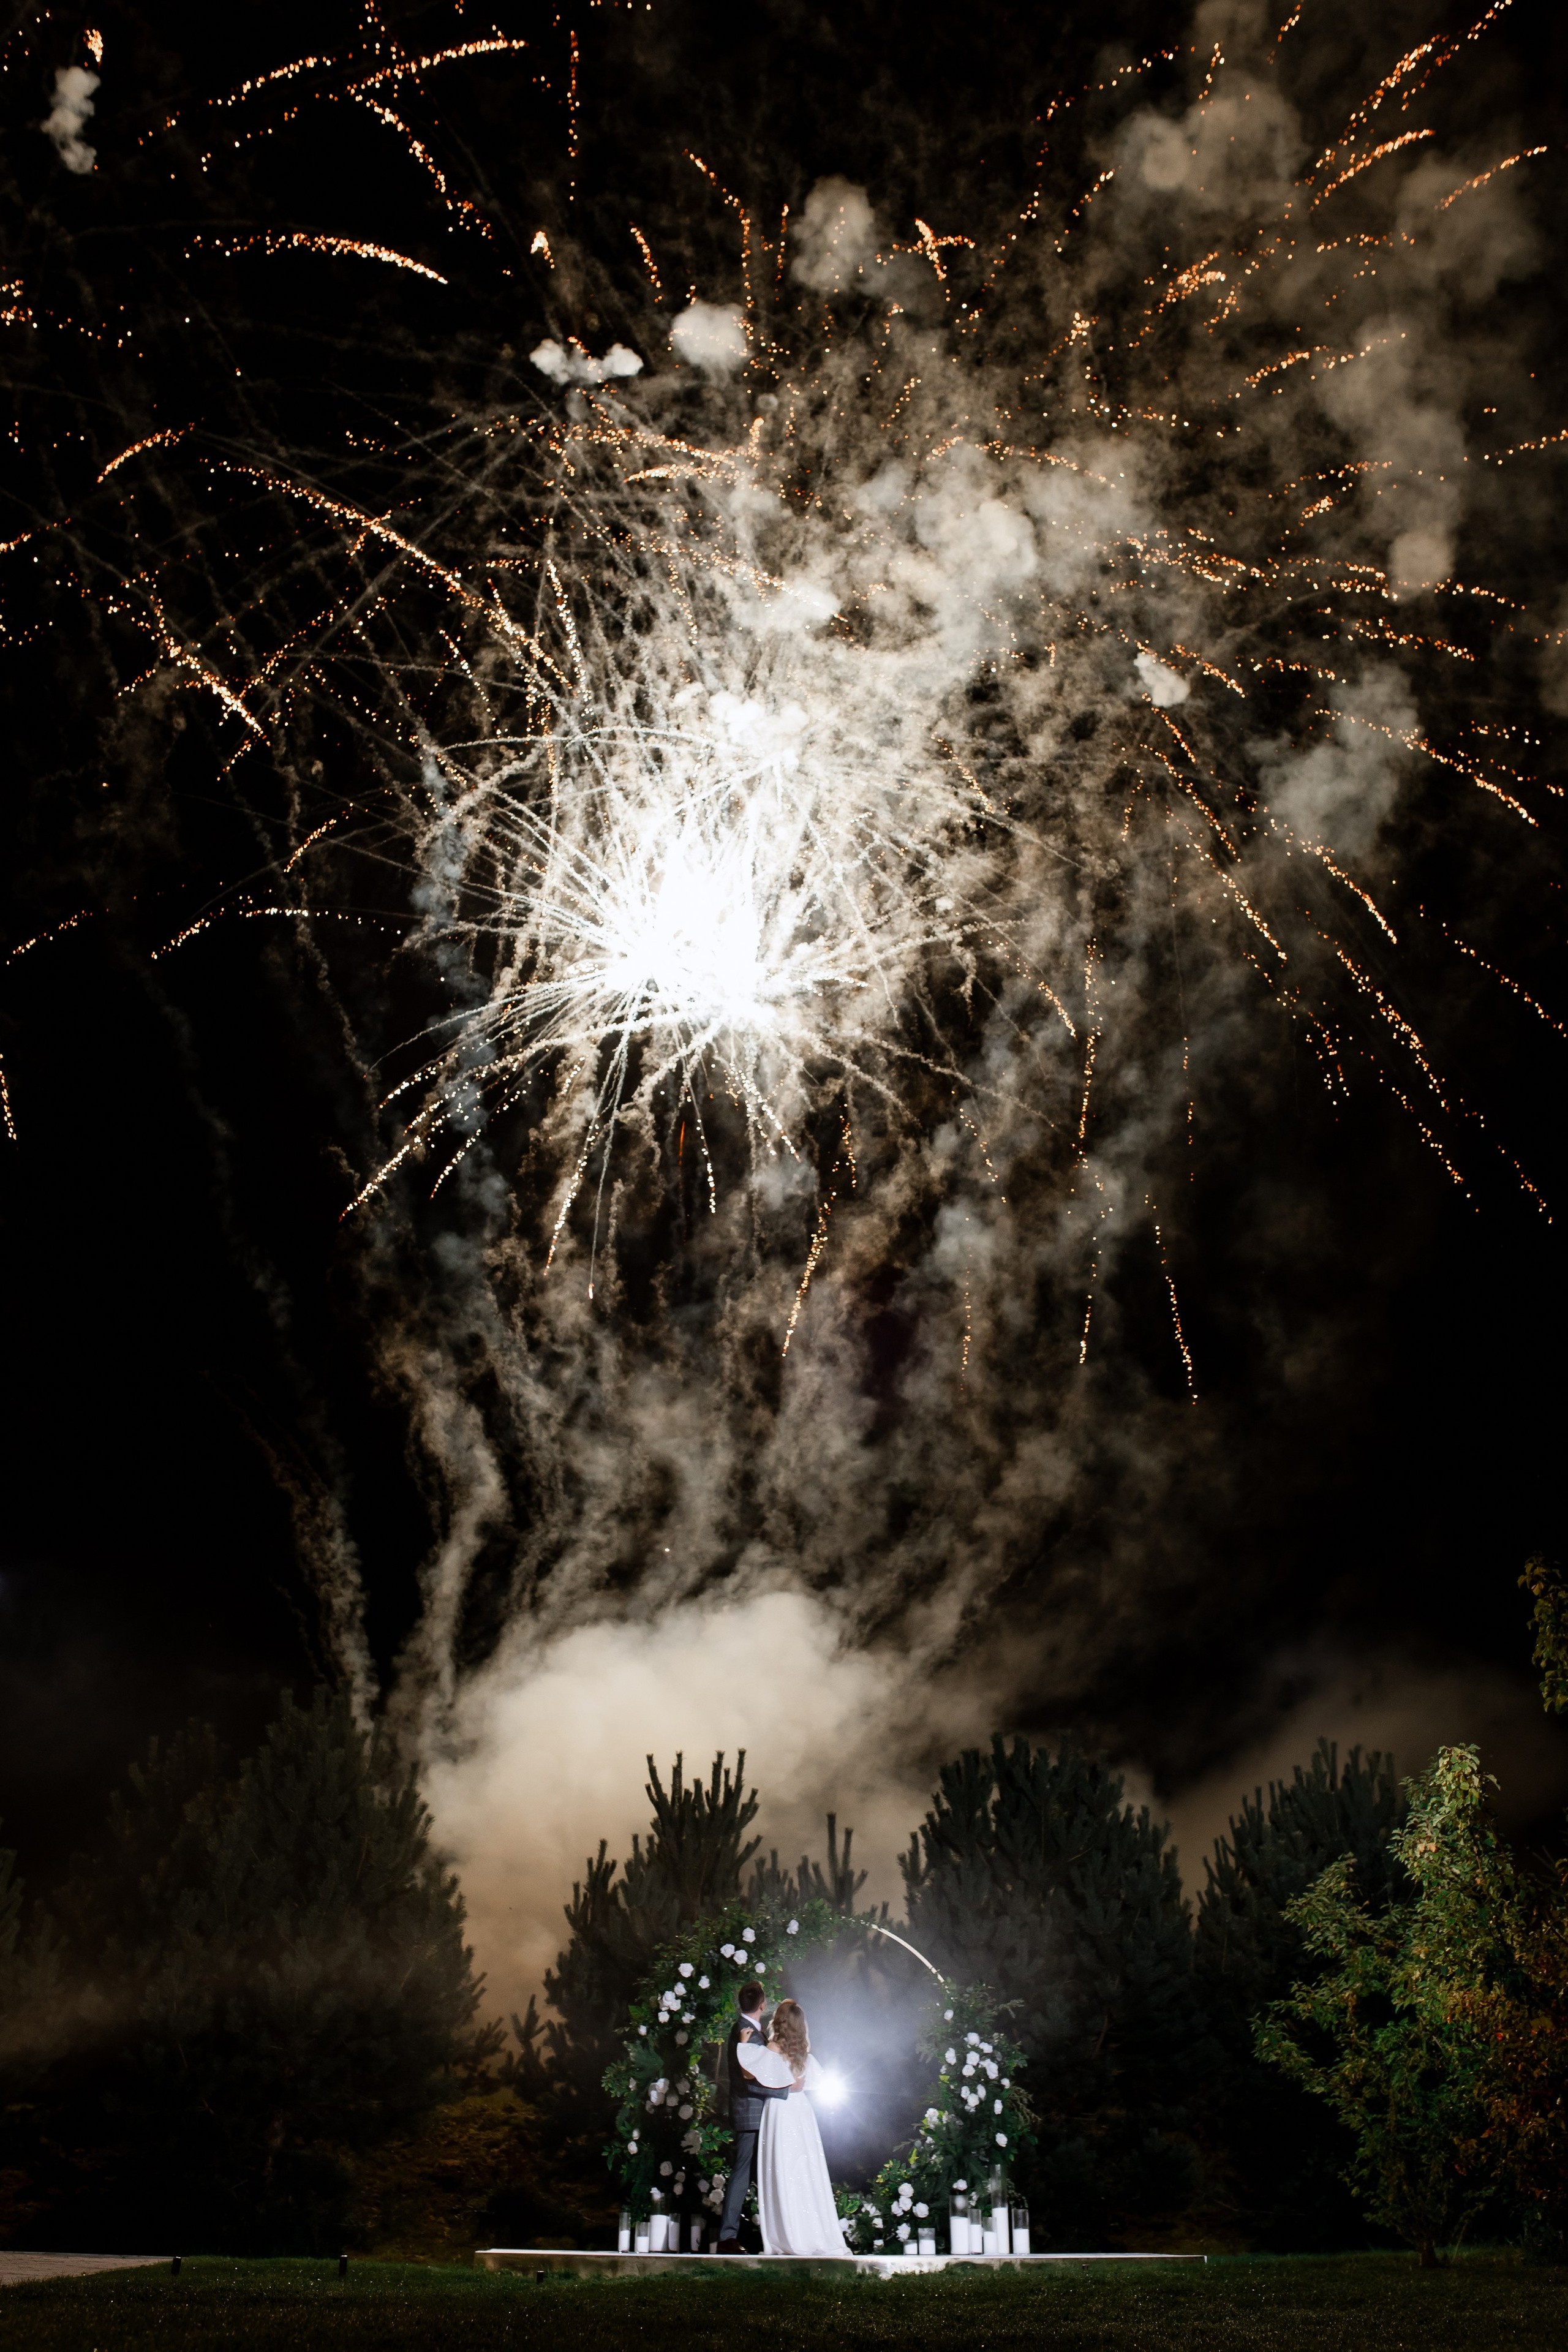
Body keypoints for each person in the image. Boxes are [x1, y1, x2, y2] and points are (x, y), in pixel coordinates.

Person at [727, 1997, 846, 2258]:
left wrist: (744, 2044)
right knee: (804, 2168)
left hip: (780, 2111)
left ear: (779, 2021)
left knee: (783, 2169)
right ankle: (810, 2231)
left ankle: (788, 2233)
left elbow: (748, 2073)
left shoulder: (773, 2047)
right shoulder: (803, 2050)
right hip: (801, 2111)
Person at [715, 1979, 787, 2252]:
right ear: (763, 2004)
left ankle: (766, 2235)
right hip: (750, 2114)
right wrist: (784, 2092)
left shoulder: (749, 2030)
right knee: (743, 2173)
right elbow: (752, 2078)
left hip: (755, 2113)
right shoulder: (746, 2031)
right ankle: (727, 2237)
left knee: (758, 2174)